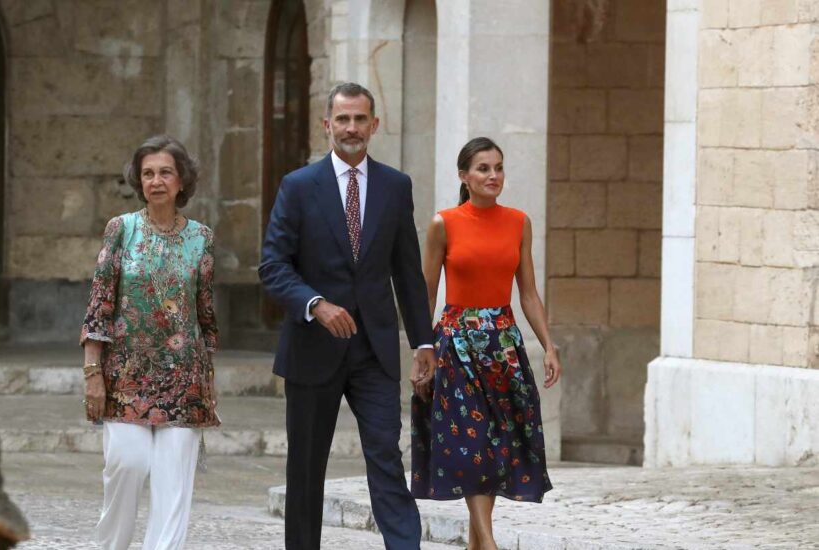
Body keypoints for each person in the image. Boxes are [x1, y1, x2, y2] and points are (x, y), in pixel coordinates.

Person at [259, 82, 437, 550]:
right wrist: (315, 305)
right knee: (306, 467)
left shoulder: (396, 186)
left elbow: (407, 273)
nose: (351, 128)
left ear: (374, 125)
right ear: (327, 125)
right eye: (343, 119)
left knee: (385, 456)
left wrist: (424, 342)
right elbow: (273, 266)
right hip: (312, 349)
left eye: (360, 119)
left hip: (374, 352)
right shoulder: (297, 187)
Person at [410, 137, 561, 550]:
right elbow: (425, 292)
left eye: (498, 168)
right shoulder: (444, 223)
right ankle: (490, 546)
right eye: (483, 168)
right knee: (470, 440)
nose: (493, 175)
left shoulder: (519, 222)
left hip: (504, 346)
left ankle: (477, 546)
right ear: (464, 176)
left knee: (496, 445)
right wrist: (421, 351)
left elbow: (528, 292)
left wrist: (548, 345)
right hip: (456, 345)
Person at [80, 135, 219, 550]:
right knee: (127, 465)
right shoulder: (121, 230)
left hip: (185, 379)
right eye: (147, 173)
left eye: (165, 173)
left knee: (173, 486)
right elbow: (99, 305)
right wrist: (93, 372)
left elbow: (205, 313)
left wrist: (208, 379)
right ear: (138, 182)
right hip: (125, 377)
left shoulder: (201, 237)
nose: (156, 181)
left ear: (181, 181)